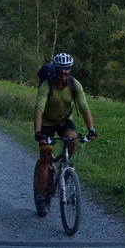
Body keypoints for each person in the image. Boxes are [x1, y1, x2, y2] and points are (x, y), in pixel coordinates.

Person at [33, 52, 97, 217]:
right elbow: (39, 109)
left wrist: (91, 130)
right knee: (45, 156)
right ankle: (41, 196)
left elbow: (84, 107)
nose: (63, 72)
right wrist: (38, 132)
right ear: (55, 68)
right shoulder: (46, 85)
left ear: (70, 69)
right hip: (47, 122)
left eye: (67, 69)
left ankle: (63, 170)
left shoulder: (74, 85)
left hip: (64, 120)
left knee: (71, 141)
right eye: (60, 68)